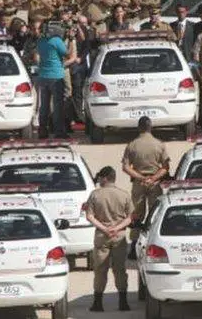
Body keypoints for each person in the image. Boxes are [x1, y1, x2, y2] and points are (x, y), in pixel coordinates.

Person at [86, 166, 134, 312]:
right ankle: (123, 303)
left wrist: (105, 229)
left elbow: (90, 216)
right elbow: (131, 217)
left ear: (105, 178)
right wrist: (117, 228)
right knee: (120, 269)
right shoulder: (124, 195)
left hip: (102, 236)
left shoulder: (95, 195)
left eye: (100, 177)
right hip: (119, 236)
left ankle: (98, 303)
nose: (99, 179)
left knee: (100, 270)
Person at [121, 116, 170, 260]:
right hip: (154, 183)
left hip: (138, 183)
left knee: (136, 214)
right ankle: (152, 244)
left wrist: (141, 178)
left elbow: (125, 167)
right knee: (154, 214)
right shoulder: (159, 145)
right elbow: (166, 167)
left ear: (139, 128)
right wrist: (153, 178)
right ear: (151, 128)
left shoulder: (132, 145)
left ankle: (134, 245)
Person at [36, 22, 68, 139]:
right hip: (56, 76)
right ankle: (59, 131)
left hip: (43, 75)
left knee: (44, 105)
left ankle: (42, 129)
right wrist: (72, 42)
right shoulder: (56, 41)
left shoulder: (40, 41)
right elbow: (67, 53)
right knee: (58, 105)